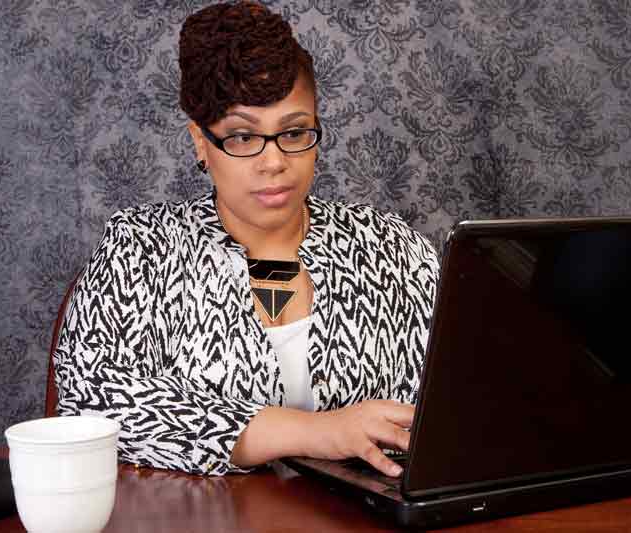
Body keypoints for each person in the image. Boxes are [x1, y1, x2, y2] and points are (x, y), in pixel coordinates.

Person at [53, 1, 439, 477]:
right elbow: (90, 405)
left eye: (294, 132)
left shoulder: (393, 249)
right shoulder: (141, 250)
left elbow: (470, 395)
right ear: (201, 141)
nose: (273, 162)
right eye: (241, 137)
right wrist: (316, 431)